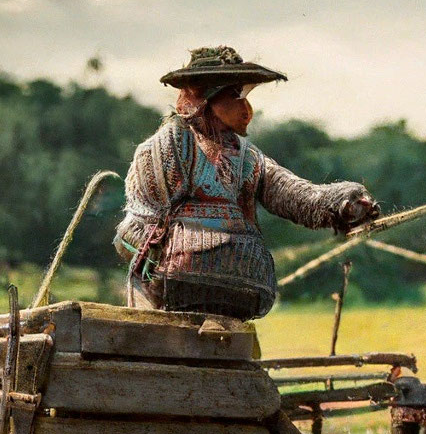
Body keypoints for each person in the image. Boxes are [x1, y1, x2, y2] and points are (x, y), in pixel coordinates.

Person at [115, 45, 379, 319]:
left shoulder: (248, 158)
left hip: (243, 280)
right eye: (234, 96)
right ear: (205, 98)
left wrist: (343, 203)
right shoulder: (164, 149)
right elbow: (135, 226)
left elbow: (294, 194)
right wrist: (160, 254)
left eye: (245, 96)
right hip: (177, 285)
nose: (247, 109)